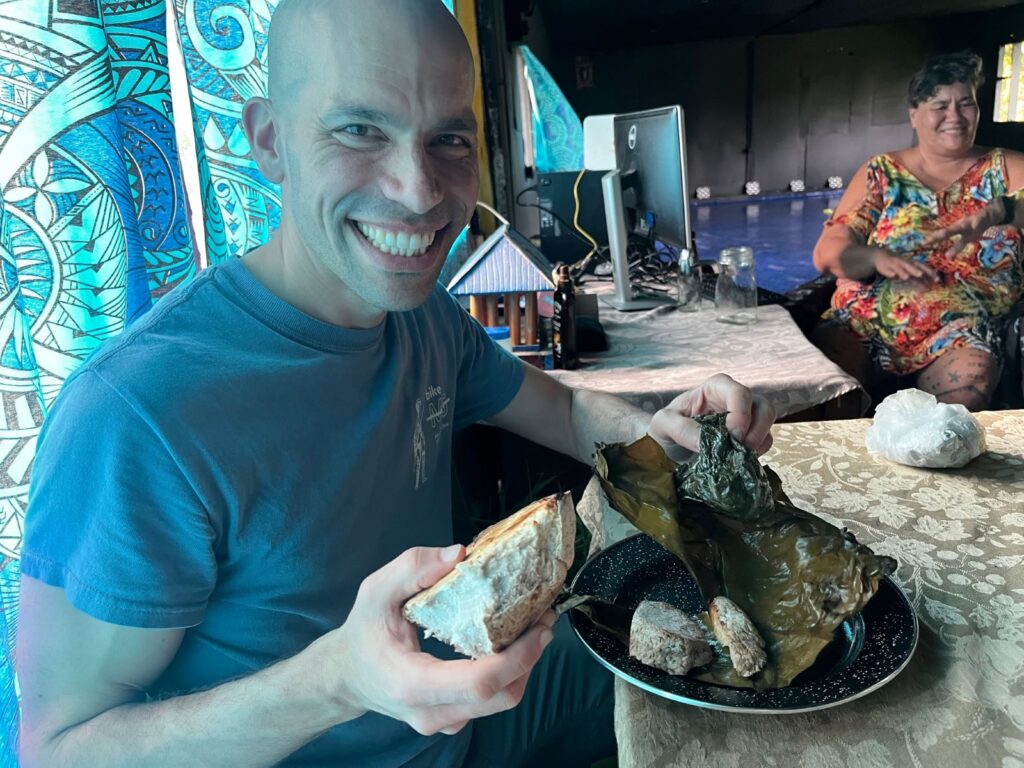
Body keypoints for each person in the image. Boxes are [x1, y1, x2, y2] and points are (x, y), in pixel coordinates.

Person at [15, 1, 775, 766]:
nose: (419, 192)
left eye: (448, 139)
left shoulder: (420, 319)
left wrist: (663, 431)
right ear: (270, 140)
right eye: (359, 130)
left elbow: (567, 408)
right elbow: (58, 748)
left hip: (471, 714)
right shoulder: (134, 416)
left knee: (730, 669)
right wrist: (339, 682)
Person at [812, 51, 1024, 411]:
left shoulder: (1007, 168)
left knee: (969, 382)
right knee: (823, 384)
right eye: (939, 105)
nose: (954, 116)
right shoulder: (882, 172)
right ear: (914, 115)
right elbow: (829, 253)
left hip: (961, 333)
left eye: (965, 104)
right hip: (864, 326)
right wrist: (874, 257)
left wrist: (999, 212)